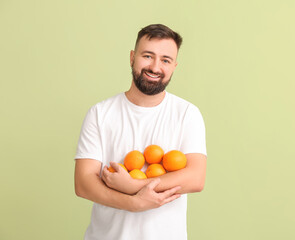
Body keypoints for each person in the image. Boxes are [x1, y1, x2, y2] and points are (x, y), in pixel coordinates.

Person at [74, 24, 207, 240]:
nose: (155, 67)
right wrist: (134, 202)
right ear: (132, 58)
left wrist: (134, 185)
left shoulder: (187, 114)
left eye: (165, 60)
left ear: (174, 66)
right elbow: (83, 183)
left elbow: (196, 178)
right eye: (147, 56)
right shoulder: (100, 113)